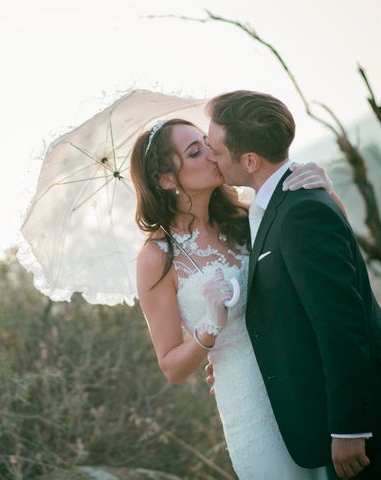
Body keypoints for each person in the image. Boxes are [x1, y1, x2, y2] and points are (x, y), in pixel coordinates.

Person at [131, 116, 348, 479]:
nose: (212, 153)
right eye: (195, 151)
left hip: (304, 381)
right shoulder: (157, 258)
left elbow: (325, 263)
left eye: (206, 142)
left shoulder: (248, 216)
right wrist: (209, 329)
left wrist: (327, 194)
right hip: (248, 406)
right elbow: (172, 366)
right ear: (166, 179)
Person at [203, 90, 381, 479]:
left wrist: (350, 428)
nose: (209, 153)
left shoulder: (301, 211)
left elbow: (341, 325)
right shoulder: (272, 206)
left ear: (249, 160)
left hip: (355, 434)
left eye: (214, 147)